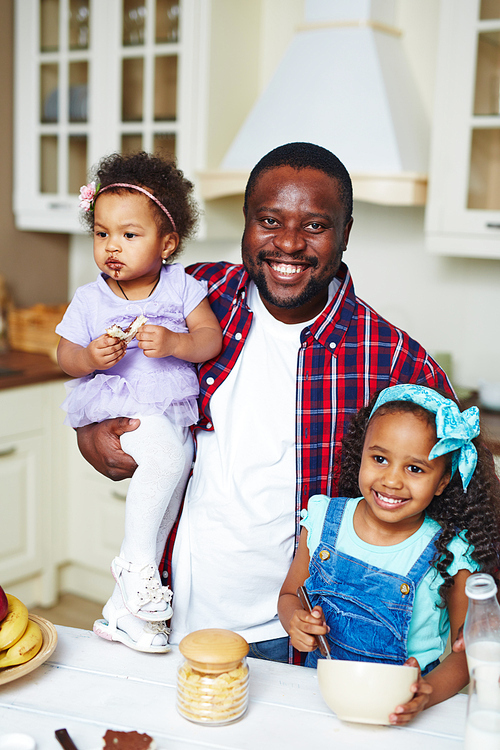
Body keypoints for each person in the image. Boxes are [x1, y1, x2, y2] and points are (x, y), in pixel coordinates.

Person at [75, 142, 455, 661]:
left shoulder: (392, 360)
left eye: (316, 226)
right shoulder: (192, 296)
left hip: (305, 636)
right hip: (163, 610)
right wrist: (91, 431)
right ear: (247, 224)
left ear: (345, 233)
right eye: (269, 221)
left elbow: (464, 506)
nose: (289, 244)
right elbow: (102, 363)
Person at [56, 152, 222, 653]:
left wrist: (174, 344)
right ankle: (136, 567)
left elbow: (209, 339)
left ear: (167, 242)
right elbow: (64, 354)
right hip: (122, 407)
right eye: (102, 233)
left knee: (171, 491)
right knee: (169, 460)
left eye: (130, 235)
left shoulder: (181, 286)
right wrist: (89, 355)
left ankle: (118, 614)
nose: (112, 246)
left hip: (169, 408)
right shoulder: (90, 298)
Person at [278, 384, 500, 722]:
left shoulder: (452, 551)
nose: (392, 480)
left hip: (406, 713)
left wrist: (425, 695)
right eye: (379, 459)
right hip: (323, 707)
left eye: (415, 469)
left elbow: (465, 650)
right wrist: (295, 619)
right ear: (361, 452)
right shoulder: (323, 519)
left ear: (442, 481)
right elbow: (291, 594)